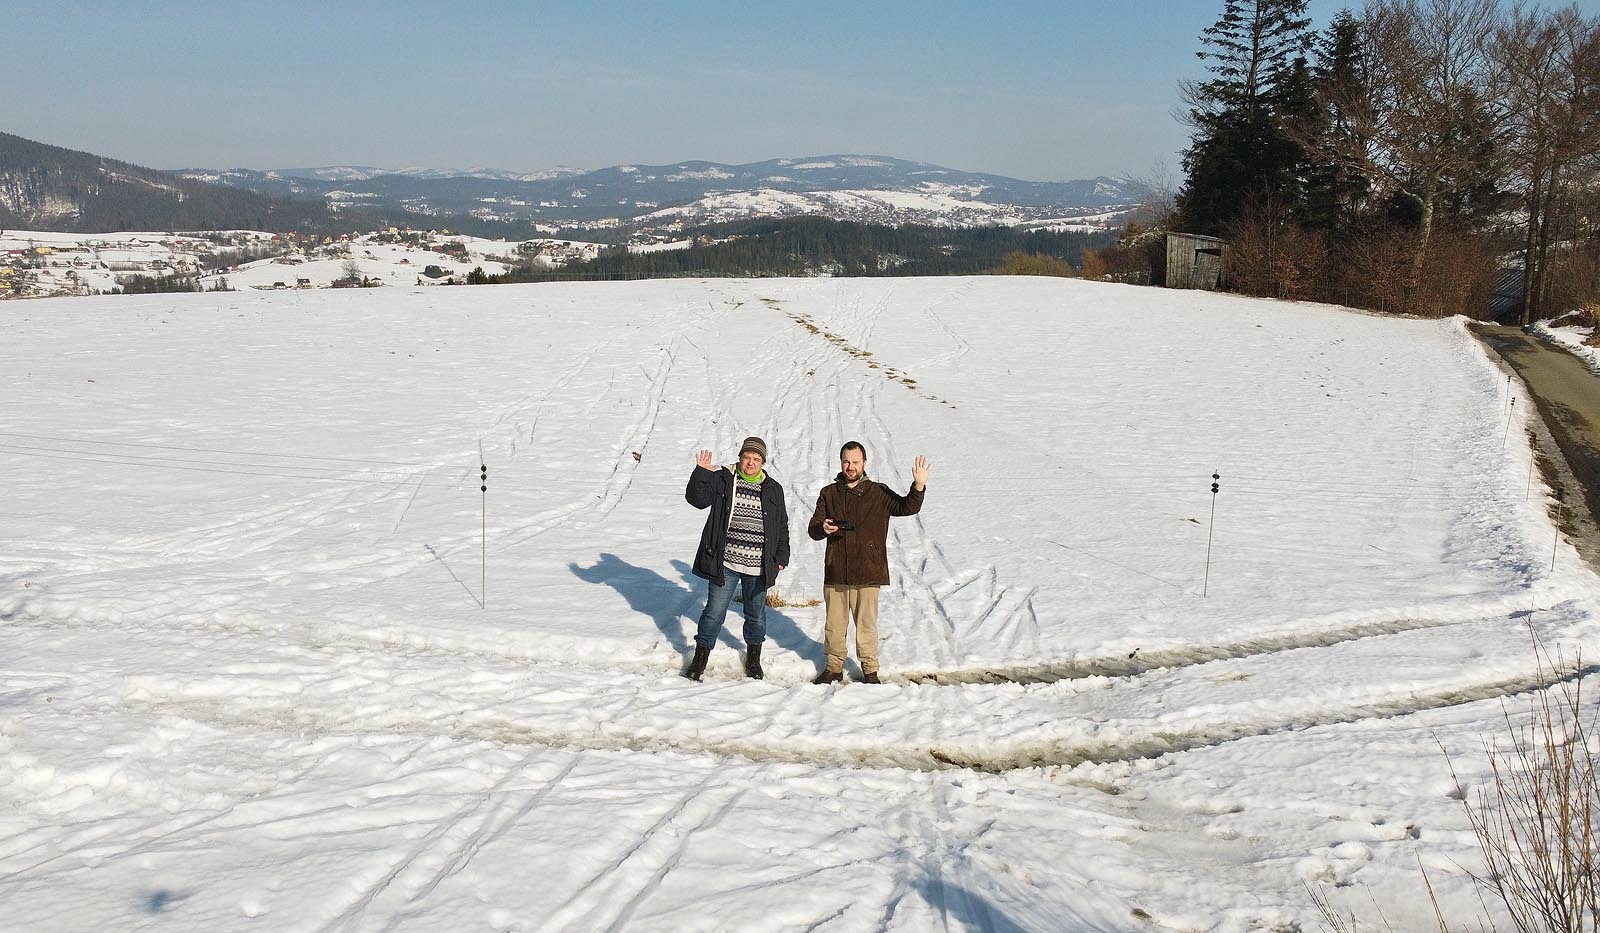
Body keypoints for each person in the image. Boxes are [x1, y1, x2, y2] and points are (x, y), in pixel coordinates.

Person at [807, 442, 929, 684]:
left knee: (866, 626)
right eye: (846, 462)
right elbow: (813, 528)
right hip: (836, 572)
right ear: (841, 462)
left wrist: (918, 485)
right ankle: (833, 668)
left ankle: (870, 670)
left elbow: (907, 507)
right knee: (834, 626)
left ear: (864, 463)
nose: (850, 467)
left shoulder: (878, 492)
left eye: (855, 462)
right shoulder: (828, 493)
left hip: (868, 570)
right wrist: (823, 527)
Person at [682, 436, 790, 681]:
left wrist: (781, 556)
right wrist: (701, 473)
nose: (750, 462)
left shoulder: (773, 489)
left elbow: (781, 525)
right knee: (713, 613)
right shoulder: (723, 479)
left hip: (759, 566)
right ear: (740, 457)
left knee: (756, 616)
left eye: (756, 459)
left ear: (763, 462)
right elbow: (696, 500)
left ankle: (753, 659)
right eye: (746, 457)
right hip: (726, 564)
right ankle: (700, 659)